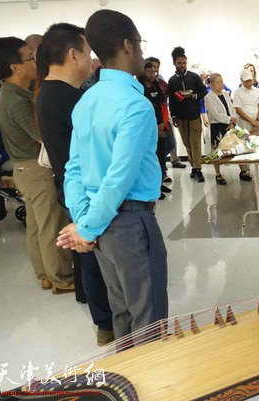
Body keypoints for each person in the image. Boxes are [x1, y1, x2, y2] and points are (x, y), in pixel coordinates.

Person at [57, 9, 168, 340]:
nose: (143, 52)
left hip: (101, 225)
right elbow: (119, 179)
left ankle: (126, 370)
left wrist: (84, 223)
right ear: (127, 45)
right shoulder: (135, 105)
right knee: (148, 318)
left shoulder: (87, 100)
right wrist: (86, 228)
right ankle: (150, 373)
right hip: (130, 223)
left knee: (122, 311)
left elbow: (74, 168)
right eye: (140, 43)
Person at [34, 22, 114, 346]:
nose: (91, 61)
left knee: (87, 253)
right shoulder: (70, 98)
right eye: (88, 53)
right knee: (94, 254)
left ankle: (99, 314)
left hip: (71, 185)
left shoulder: (48, 93)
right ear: (73, 55)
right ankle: (106, 323)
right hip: (84, 188)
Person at [0, 36, 75, 293]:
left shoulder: (13, 93)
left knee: (37, 223)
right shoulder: (18, 101)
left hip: (25, 169)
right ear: (15, 67)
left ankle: (44, 273)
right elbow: (43, 136)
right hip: (35, 169)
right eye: (30, 57)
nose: (35, 61)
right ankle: (61, 278)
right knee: (51, 224)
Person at [167, 46, 208, 182]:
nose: (182, 65)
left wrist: (193, 96)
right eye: (179, 63)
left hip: (194, 116)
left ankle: (198, 169)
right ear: (174, 63)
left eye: (184, 63)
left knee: (195, 143)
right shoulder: (172, 80)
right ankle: (194, 167)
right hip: (180, 118)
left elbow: (204, 92)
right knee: (187, 144)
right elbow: (172, 100)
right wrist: (173, 116)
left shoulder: (194, 77)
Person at [204, 73, 253, 185]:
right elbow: (215, 114)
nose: (220, 84)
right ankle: (218, 174)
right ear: (211, 84)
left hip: (231, 124)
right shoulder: (208, 97)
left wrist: (232, 121)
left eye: (221, 81)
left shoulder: (225, 93)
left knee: (238, 146)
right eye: (217, 82)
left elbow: (232, 109)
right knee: (217, 150)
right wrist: (229, 119)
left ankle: (243, 171)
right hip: (218, 126)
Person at [138, 62, 172, 199]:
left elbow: (163, 105)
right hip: (147, 128)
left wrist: (164, 123)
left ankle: (160, 183)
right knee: (150, 160)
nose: (152, 75)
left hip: (160, 126)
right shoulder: (138, 88)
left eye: (154, 72)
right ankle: (153, 188)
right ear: (143, 73)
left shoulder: (157, 85)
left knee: (161, 158)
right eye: (149, 72)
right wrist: (153, 128)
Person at [145, 56, 185, 172]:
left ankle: (171, 162)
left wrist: (165, 120)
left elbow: (166, 98)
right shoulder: (140, 84)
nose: (155, 70)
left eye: (157, 67)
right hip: (149, 121)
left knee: (169, 140)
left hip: (163, 116)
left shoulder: (161, 82)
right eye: (152, 67)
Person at [234, 69, 259, 134]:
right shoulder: (237, 92)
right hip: (244, 123)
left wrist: (257, 121)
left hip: (257, 122)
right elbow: (238, 110)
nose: (249, 83)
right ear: (241, 80)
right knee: (245, 139)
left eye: (250, 80)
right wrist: (251, 121)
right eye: (246, 81)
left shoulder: (257, 91)